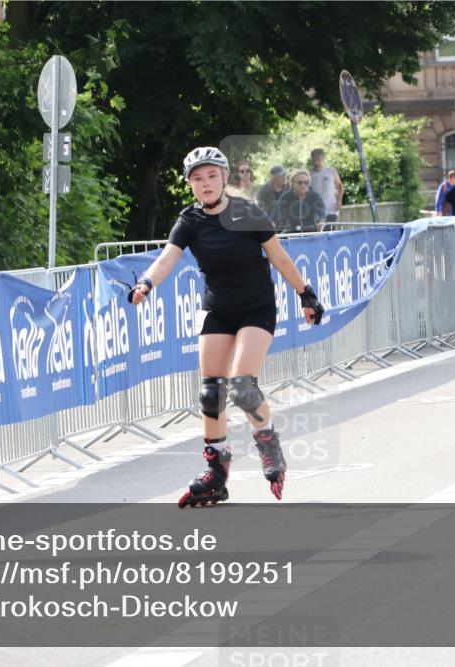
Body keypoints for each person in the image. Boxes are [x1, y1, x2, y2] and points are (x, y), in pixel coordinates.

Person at [128, 147, 325, 507]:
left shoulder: (247, 213)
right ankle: (216, 472)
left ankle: (268, 445)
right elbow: (166, 259)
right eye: (197, 179)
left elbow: (279, 257)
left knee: (243, 388)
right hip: (218, 309)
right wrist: (145, 285)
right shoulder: (189, 221)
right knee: (210, 395)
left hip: (256, 307)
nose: (205, 184)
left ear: (224, 178)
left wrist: (306, 295)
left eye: (211, 176)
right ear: (190, 185)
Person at [309, 148, 344, 222]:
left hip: (331, 208)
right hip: (316, 210)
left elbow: (339, 186)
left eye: (319, 159)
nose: (316, 162)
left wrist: (339, 201)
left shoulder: (331, 171)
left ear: (323, 159)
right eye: (314, 160)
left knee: (329, 230)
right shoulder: (309, 174)